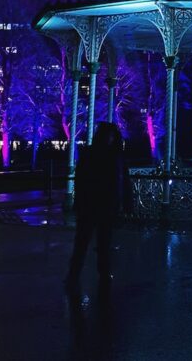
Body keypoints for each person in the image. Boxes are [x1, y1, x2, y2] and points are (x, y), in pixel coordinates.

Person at [65, 122, 126, 290]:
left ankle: (98, 273)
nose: (110, 139)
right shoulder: (106, 155)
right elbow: (83, 179)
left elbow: (121, 182)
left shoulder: (111, 155)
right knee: (88, 242)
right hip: (95, 204)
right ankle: (79, 274)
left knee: (98, 243)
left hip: (100, 204)